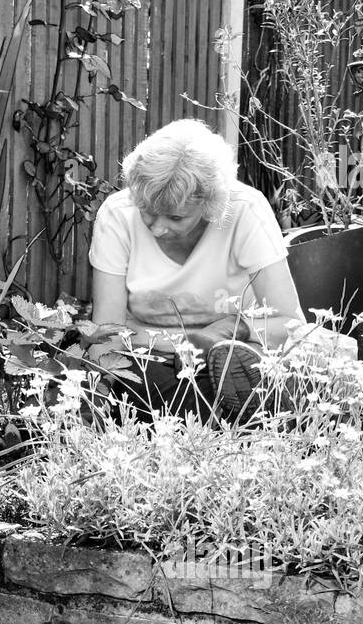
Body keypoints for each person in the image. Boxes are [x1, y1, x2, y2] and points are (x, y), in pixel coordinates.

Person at [87, 118, 304, 418]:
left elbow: (291, 325)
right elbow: (106, 333)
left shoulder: (245, 210)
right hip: (150, 358)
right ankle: (239, 416)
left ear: (210, 204)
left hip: (235, 355)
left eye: (176, 217)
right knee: (152, 390)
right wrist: (94, 395)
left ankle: (233, 409)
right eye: (147, 212)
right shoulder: (118, 215)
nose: (158, 228)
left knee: (249, 376)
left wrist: (230, 329)